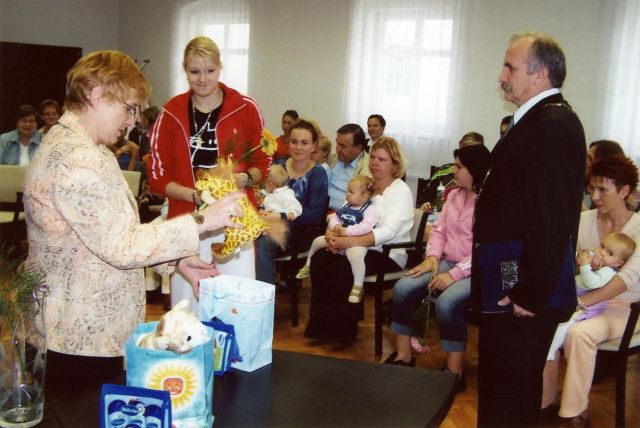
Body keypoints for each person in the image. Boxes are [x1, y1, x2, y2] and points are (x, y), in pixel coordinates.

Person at [22, 50, 244, 372]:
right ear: (97, 96)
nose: (132, 122)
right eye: (129, 109)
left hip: (71, 330)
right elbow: (121, 247)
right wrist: (202, 220)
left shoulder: (78, 145)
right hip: (78, 339)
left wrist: (177, 260)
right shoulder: (80, 159)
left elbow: (106, 233)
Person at [471, 31, 586, 427]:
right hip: (511, 281)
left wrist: (530, 292)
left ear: (540, 74)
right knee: (502, 387)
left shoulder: (553, 124)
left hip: (523, 291)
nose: (501, 76)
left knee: (513, 393)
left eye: (510, 67)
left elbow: (551, 218)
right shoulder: (537, 119)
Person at [148, 36, 269, 312]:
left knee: (236, 303)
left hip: (235, 222)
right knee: (187, 306)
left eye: (210, 70)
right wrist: (195, 195)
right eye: (194, 71)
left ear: (220, 67)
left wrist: (243, 179)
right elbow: (157, 177)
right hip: (188, 221)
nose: (203, 79)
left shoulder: (245, 107)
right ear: (185, 70)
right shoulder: (170, 113)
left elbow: (263, 162)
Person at [540, 155, 640, 427]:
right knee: (546, 323)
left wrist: (581, 302)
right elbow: (565, 264)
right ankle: (545, 403)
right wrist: (579, 267)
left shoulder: (639, 227)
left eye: (603, 190)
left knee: (579, 333)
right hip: (583, 299)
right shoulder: (583, 220)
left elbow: (626, 279)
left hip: (625, 308)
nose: (594, 196)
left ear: (624, 190)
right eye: (592, 189)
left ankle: (574, 413)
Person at [385, 144, 490, 387]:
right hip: (447, 262)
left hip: (476, 270)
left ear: (475, 170)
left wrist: (454, 275)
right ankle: (403, 355)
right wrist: (432, 256)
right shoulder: (453, 195)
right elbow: (439, 231)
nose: (454, 171)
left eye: (459, 167)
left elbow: (484, 248)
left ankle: (454, 372)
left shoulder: (490, 203)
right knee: (402, 288)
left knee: (447, 304)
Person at [304, 137, 413, 343]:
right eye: (373, 157)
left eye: (382, 159)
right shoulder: (366, 183)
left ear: (395, 165)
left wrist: (348, 243)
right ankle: (321, 327)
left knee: (341, 268)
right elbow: (343, 212)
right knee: (319, 260)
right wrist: (332, 235)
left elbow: (388, 232)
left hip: (388, 253)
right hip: (356, 247)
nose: (375, 162)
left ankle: (343, 332)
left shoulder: (400, 191)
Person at [255, 119, 328, 285]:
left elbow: (315, 214)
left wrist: (280, 216)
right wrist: (261, 209)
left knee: (262, 246)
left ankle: (264, 295)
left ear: (314, 146)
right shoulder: (278, 164)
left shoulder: (318, 174)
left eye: (304, 143)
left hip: (299, 232)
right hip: (268, 222)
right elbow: (264, 193)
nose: (298, 147)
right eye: (294, 142)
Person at [545, 232, 635, 362]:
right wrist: (581, 258)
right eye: (602, 246)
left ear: (618, 263)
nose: (602, 252)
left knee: (564, 324)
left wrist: (585, 265)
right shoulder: (599, 264)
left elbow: (592, 283)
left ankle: (551, 351)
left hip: (588, 305)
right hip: (575, 295)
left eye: (609, 253)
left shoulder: (608, 272)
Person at [296, 175, 378, 304]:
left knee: (356, 256)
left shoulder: (369, 209)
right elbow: (334, 218)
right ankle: (307, 265)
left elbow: (367, 226)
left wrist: (348, 231)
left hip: (356, 242)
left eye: (351, 192)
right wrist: (336, 226)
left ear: (364, 196)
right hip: (339, 237)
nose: (347, 194)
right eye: (347, 191)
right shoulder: (347, 206)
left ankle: (358, 286)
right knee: (317, 241)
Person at [417, 131, 484, 213]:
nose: (468, 155)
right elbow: (422, 201)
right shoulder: (443, 171)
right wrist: (424, 205)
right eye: (464, 150)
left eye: (473, 151)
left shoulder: (485, 180)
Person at [327, 123, 371, 211]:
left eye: (343, 146)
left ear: (358, 148)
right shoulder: (332, 157)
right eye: (337, 143)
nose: (337, 148)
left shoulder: (369, 169)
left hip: (344, 215)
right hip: (321, 209)